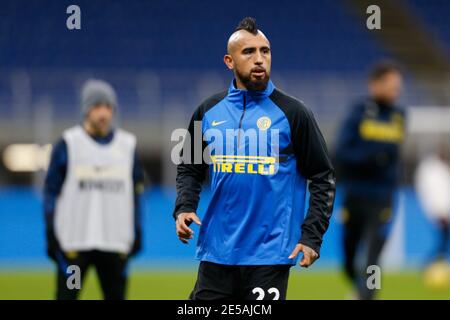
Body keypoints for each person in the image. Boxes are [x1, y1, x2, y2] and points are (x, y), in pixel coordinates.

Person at [173, 17, 336, 300]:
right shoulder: (207, 111)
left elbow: (323, 176)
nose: (259, 59)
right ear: (229, 61)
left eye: (265, 51)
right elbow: (189, 165)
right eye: (249, 52)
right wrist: (184, 206)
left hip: (269, 255)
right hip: (217, 253)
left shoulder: (294, 113)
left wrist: (311, 237)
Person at [43, 79, 144, 300]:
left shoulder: (127, 146)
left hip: (113, 245)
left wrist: (137, 230)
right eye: (97, 106)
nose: (104, 113)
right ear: (86, 109)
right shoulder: (69, 144)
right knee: (68, 296)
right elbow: (50, 192)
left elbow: (136, 194)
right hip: (75, 248)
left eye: (108, 107)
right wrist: (51, 233)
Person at [334, 61, 405, 299]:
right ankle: (360, 289)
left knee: (374, 259)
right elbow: (341, 153)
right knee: (348, 258)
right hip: (355, 195)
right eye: (392, 85)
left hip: (383, 199)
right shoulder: (359, 112)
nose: (396, 91)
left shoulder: (399, 115)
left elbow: (394, 155)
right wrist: (372, 156)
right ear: (375, 84)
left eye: (398, 87)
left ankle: (366, 295)